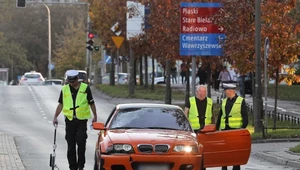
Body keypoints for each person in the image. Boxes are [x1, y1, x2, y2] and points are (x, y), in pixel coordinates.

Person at [52, 70, 97, 170]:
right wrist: (55, 117)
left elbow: (91, 103)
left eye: (73, 82)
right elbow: (61, 104)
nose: (72, 84)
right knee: (71, 145)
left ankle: (81, 166)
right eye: (70, 82)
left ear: (77, 79)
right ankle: (72, 167)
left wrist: (95, 116)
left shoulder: (85, 88)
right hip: (70, 120)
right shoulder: (65, 89)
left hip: (81, 120)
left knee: (81, 142)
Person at [216, 83, 248, 170]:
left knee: (235, 151)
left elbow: (245, 117)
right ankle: (224, 167)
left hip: (235, 130)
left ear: (231, 91)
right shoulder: (224, 101)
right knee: (224, 151)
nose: (225, 93)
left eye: (226, 91)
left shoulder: (241, 101)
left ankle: (236, 167)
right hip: (225, 130)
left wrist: (242, 130)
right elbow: (220, 116)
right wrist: (215, 128)